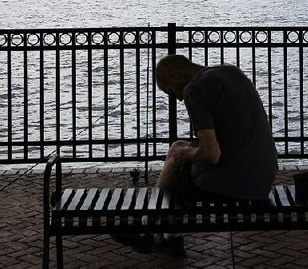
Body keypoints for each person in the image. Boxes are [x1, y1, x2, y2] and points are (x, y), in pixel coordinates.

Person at [112, 54, 278, 255]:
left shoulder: (194, 89)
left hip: (238, 184)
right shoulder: (229, 72)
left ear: (173, 76)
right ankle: (165, 234)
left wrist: (184, 153)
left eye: (171, 92)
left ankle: (151, 230)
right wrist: (185, 149)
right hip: (263, 177)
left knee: (179, 168)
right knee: (179, 148)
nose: (178, 98)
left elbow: (211, 155)